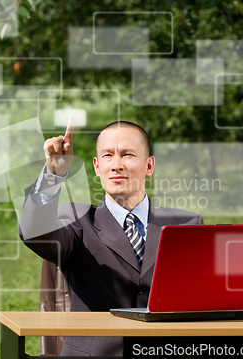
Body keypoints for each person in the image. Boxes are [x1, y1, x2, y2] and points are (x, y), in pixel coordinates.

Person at [18, 118, 204, 356]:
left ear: (149, 166)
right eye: (108, 156)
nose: (117, 165)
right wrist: (53, 175)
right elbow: (34, 232)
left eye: (127, 154)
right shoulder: (77, 219)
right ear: (97, 167)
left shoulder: (187, 224)